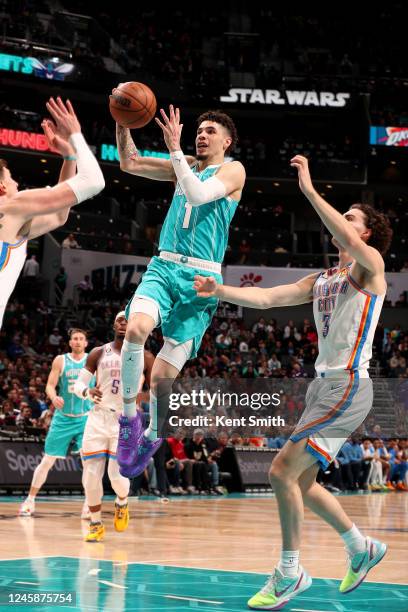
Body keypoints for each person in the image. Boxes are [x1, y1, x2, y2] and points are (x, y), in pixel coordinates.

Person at [194, 154, 392, 609]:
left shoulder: (372, 266)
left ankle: (289, 572)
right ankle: (361, 548)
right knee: (300, 483)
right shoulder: (323, 279)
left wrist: (308, 190)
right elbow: (267, 297)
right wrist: (219, 290)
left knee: (281, 469)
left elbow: (341, 233)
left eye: (351, 219)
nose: (343, 223)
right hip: (324, 388)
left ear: (365, 234)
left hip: (347, 384)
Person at [114, 102, 245, 478]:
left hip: (200, 282)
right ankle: (128, 423)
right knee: (136, 330)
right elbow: (130, 162)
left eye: (210, 132)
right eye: (199, 130)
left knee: (161, 380)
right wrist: (123, 124)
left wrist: (174, 151)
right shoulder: (183, 163)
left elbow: (199, 195)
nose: (201, 135)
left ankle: (153, 434)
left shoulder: (234, 170)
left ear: (227, 141)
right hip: (164, 265)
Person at [0, 97, 104, 329]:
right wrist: (76, 136)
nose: (16, 182)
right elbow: (94, 181)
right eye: (11, 177)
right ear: (2, 188)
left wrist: (69, 159)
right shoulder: (12, 206)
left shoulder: (11, 222)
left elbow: (59, 216)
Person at [18, 328, 93, 518]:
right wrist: (53, 397)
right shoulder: (61, 360)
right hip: (63, 417)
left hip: (86, 417)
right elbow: (50, 385)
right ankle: (30, 500)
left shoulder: (92, 360)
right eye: (74, 339)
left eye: (81, 339)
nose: (77, 341)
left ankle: (89, 504)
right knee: (47, 460)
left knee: (88, 462)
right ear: (70, 343)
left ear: (86, 343)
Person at [73, 312, 130, 542]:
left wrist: (141, 397)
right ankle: (96, 524)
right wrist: (87, 391)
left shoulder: (144, 355)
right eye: (119, 319)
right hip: (97, 418)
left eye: (128, 319)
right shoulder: (98, 352)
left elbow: (158, 390)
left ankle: (122, 502)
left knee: (115, 477)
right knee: (90, 476)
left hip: (123, 420)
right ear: (114, 324)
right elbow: (78, 384)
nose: (124, 322)